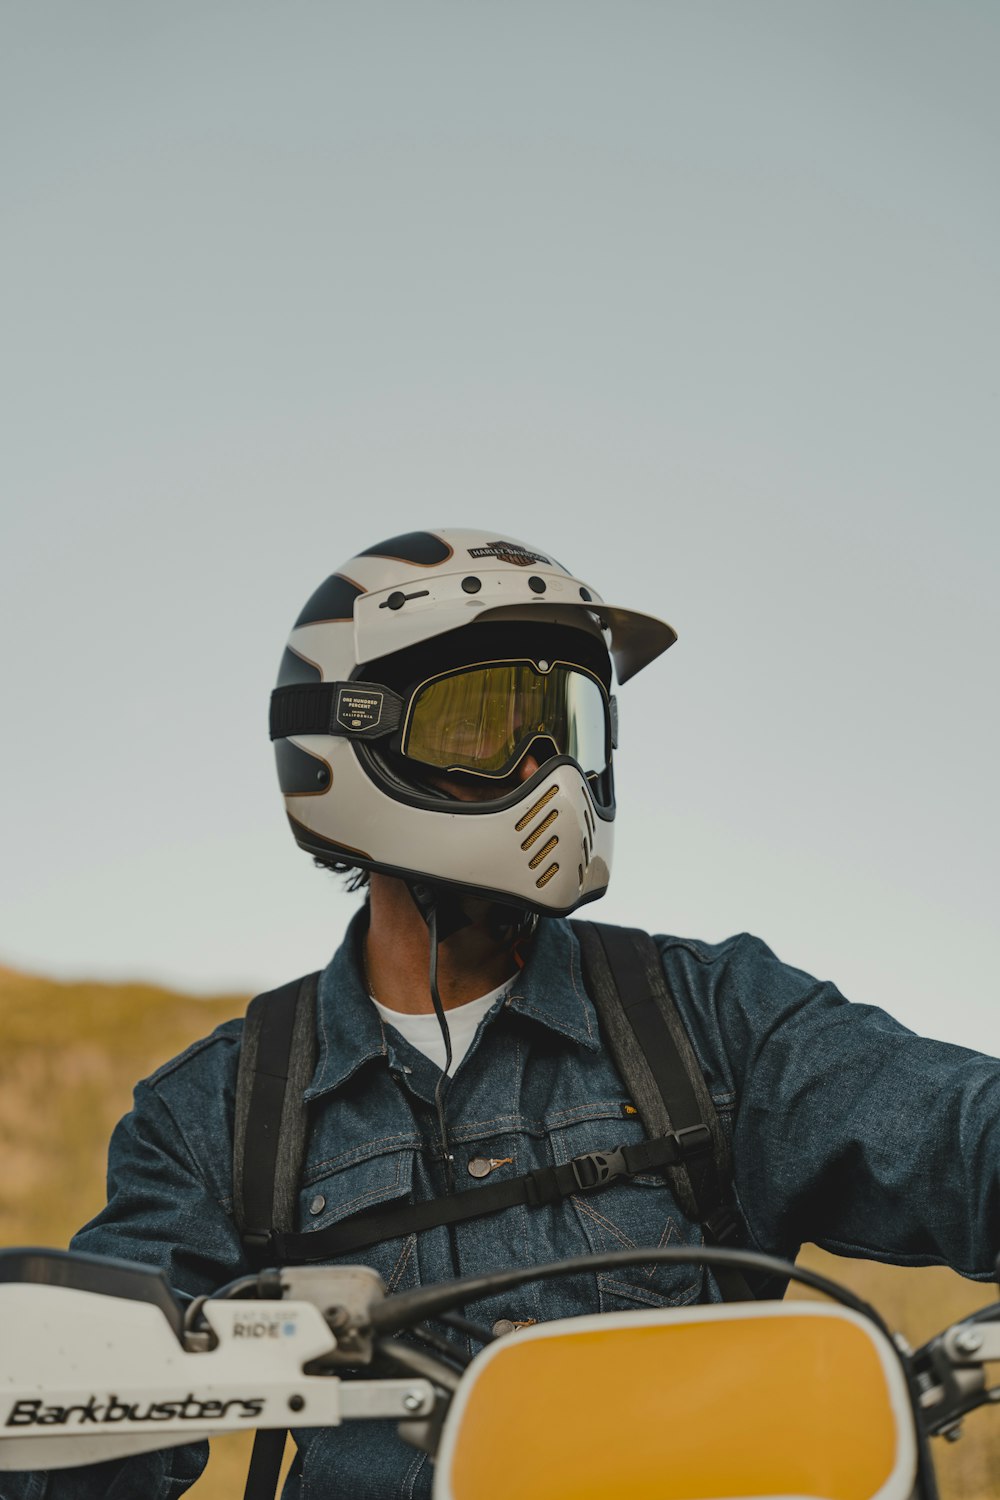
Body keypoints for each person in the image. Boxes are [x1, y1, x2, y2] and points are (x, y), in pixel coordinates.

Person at [10, 527, 1000, 1500]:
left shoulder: (713, 1016)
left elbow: (955, 1132)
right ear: (353, 731)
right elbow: (83, 1434)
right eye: (484, 725)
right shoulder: (214, 1114)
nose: (545, 772)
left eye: (567, 725)